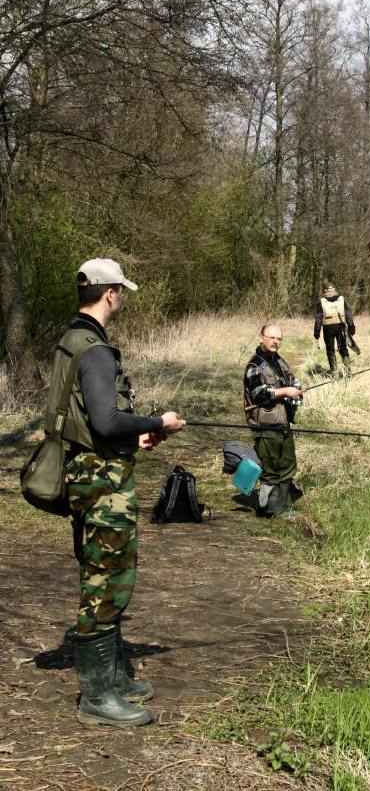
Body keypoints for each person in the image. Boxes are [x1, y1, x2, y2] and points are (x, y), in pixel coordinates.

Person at [44, 257, 184, 727]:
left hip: (87, 473)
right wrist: (156, 423)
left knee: (105, 577)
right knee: (106, 584)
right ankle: (97, 699)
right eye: (121, 291)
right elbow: (106, 419)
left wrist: (133, 438)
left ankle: (115, 677)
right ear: (110, 294)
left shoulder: (70, 342)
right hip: (103, 486)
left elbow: (88, 421)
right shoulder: (97, 351)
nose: (122, 298)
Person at [243, 323, 303, 517]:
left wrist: (295, 388)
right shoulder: (254, 365)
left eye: (279, 339)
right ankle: (267, 509)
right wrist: (285, 391)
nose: (276, 342)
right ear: (261, 338)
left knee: (288, 464)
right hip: (265, 425)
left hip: (283, 422)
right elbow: (258, 394)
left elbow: (291, 378)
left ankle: (282, 507)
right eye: (272, 338)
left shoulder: (279, 361)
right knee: (270, 468)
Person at [314, 283, 356, 375]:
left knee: (330, 350)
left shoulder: (321, 301)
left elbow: (318, 318)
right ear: (334, 289)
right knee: (343, 349)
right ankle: (348, 372)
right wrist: (352, 327)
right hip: (341, 327)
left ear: (325, 290)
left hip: (328, 328)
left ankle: (335, 373)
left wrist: (316, 333)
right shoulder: (342, 299)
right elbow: (348, 314)